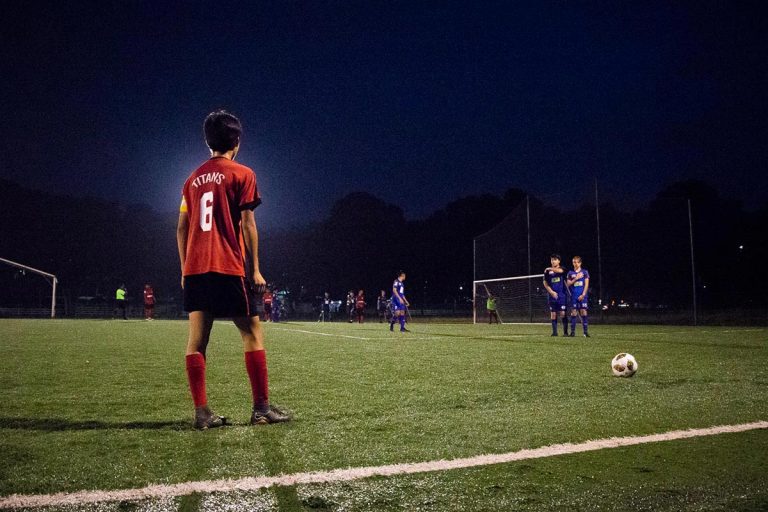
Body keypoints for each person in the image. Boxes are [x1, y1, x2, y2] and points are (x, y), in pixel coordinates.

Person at [177, 109, 289, 429]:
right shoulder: (243, 174)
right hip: (228, 266)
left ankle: (201, 413)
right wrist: (255, 269)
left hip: (196, 269)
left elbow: (181, 229)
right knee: (252, 333)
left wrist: (185, 269)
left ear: (207, 142)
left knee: (197, 341)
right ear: (236, 141)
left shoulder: (191, 180)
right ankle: (261, 409)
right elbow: (248, 224)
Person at [542, 254, 569, 336]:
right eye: (551, 260)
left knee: (562, 313)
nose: (553, 261)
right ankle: (554, 333)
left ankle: (565, 333)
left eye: (555, 259)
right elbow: (545, 282)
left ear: (559, 261)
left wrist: (550, 268)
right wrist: (551, 292)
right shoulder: (547, 272)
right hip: (552, 296)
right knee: (553, 314)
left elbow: (560, 271)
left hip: (561, 295)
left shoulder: (562, 269)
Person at [567, 256, 591, 337]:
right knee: (573, 313)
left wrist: (583, 294)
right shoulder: (570, 273)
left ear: (580, 263)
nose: (575, 264)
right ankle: (572, 332)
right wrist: (576, 278)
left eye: (577, 262)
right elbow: (568, 284)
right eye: (574, 262)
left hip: (582, 296)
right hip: (574, 296)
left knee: (583, 312)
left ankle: (585, 332)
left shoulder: (585, 272)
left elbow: (586, 284)